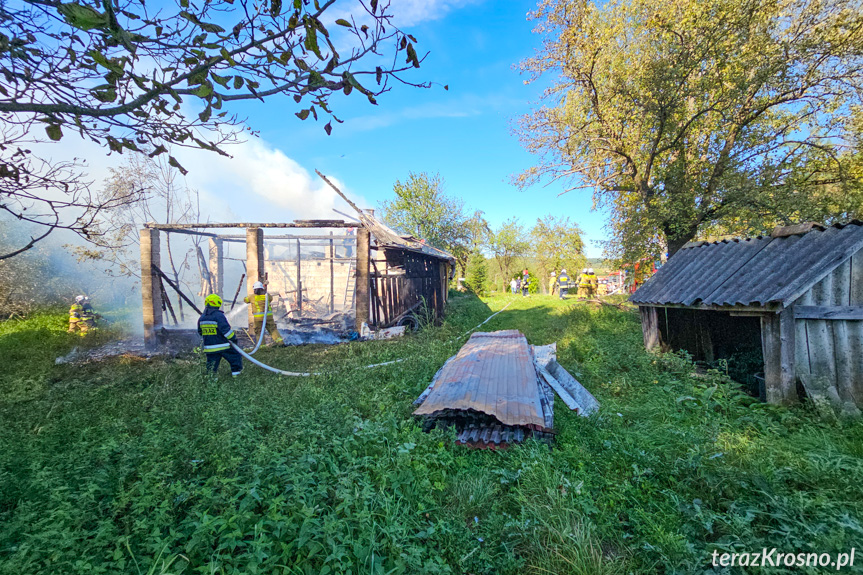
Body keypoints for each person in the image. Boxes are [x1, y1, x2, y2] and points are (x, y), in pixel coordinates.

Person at [198, 294, 243, 378]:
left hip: (209, 348)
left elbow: (200, 332)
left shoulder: (202, 317)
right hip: (223, 346)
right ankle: (237, 378)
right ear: (217, 303)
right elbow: (226, 331)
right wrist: (234, 339)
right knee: (235, 359)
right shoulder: (219, 316)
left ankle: (211, 383)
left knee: (211, 367)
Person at [244, 280, 283, 345]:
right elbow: (271, 299)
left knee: (259, 332)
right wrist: (264, 291)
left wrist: (247, 297)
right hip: (268, 317)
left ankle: (262, 346)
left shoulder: (252, 297)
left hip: (258, 318)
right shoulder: (267, 296)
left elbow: (245, 300)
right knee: (273, 329)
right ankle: (280, 343)